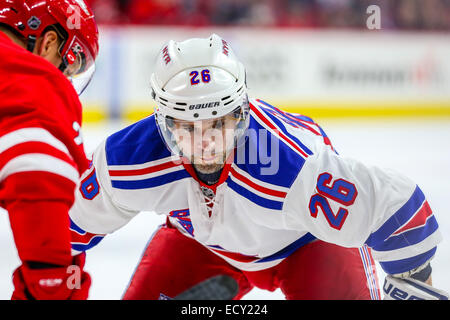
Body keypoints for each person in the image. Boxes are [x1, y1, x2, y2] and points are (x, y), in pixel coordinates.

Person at [69, 34, 447, 300]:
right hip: (206, 248)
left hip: (309, 246)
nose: (206, 145)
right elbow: (68, 231)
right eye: (188, 127)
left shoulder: (289, 164)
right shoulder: (128, 159)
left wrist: (416, 278)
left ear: (241, 114)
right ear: (163, 123)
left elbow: (396, 210)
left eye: (218, 123)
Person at [0, 0, 99, 300]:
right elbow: (38, 175)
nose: (64, 78)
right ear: (49, 43)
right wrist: (56, 286)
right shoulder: (35, 83)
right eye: (68, 64)